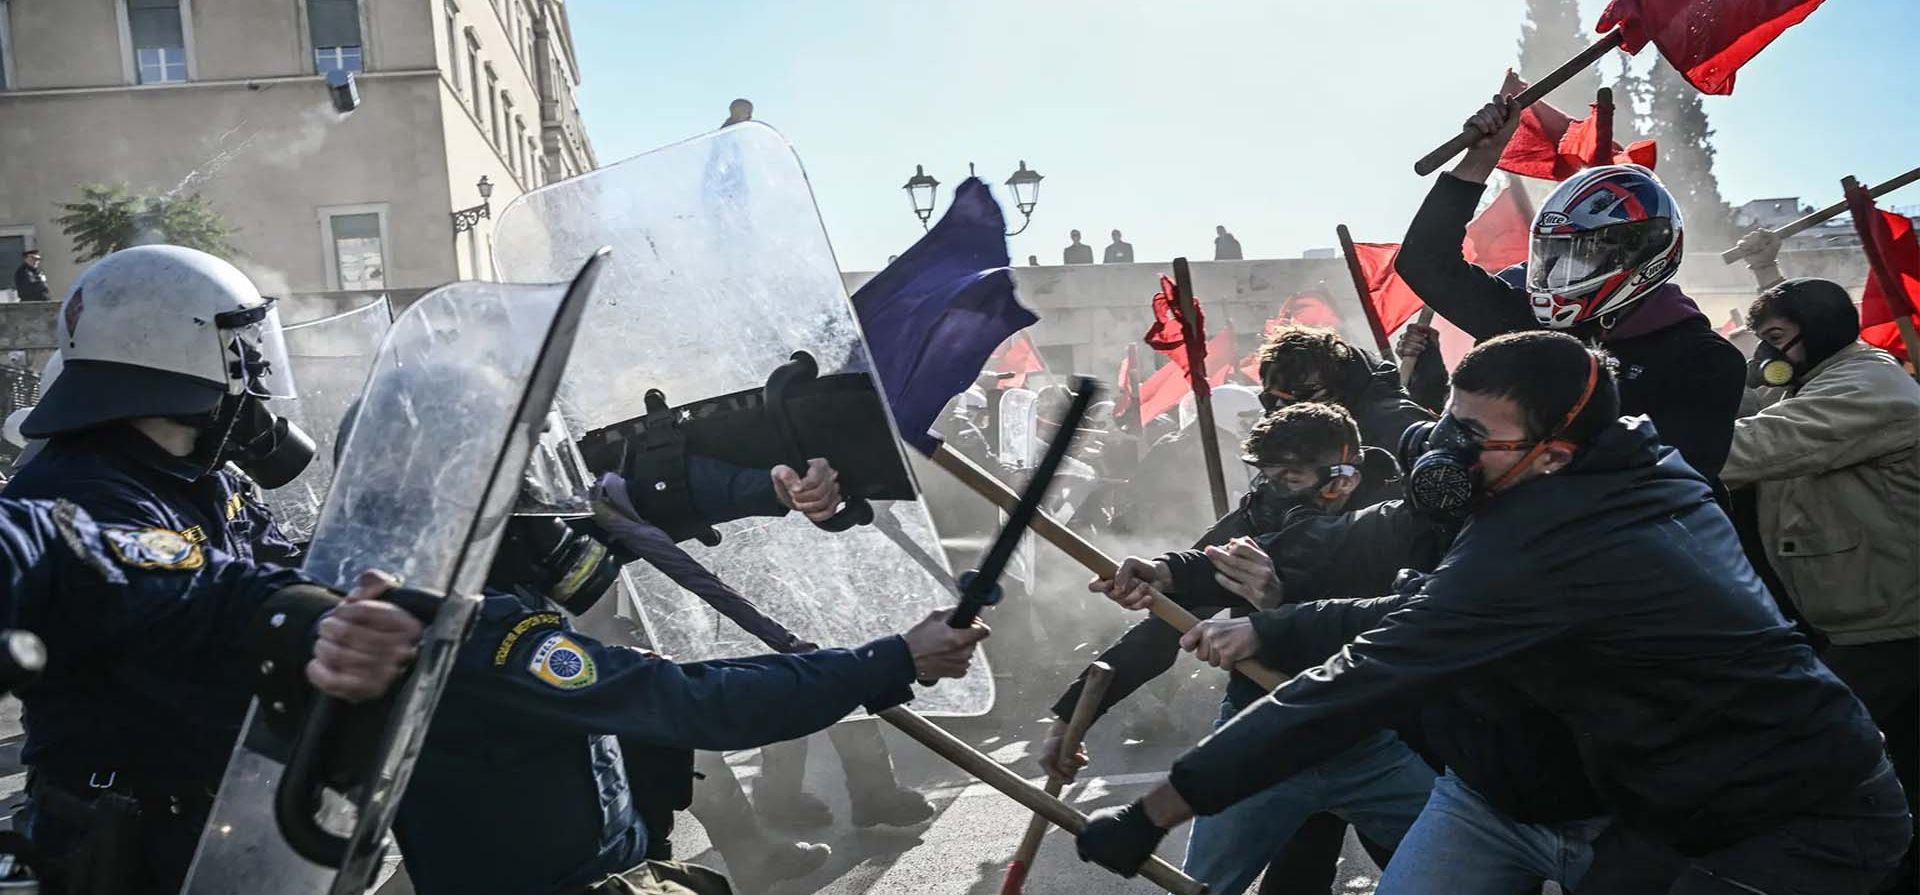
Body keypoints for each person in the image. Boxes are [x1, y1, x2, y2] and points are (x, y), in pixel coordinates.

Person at [1077, 331, 1909, 895]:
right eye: (1448, 423)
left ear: (1553, 452)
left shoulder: (1564, 540)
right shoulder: (1589, 465)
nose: (1443, 455)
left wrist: (1157, 808)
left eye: (1472, 437)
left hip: (1789, 811)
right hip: (1634, 797)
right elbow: (1356, 552)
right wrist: (1225, 595)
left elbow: (1371, 672)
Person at [391, 480, 990, 895]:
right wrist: (895, 658)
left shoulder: (426, 600)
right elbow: (700, 702)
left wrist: (771, 486)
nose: (552, 519)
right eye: (524, 499)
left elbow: (646, 496)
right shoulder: (478, 632)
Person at [1059, 403, 1440, 895]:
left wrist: (1275, 612)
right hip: (1263, 737)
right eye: (1265, 475)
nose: (1271, 490)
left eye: (1291, 476)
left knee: (1449, 871)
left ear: (1341, 479)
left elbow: (1392, 620)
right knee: (1218, 885)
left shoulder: (1394, 523)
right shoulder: (1255, 518)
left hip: (1372, 739)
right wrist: (1071, 719)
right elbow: (1170, 612)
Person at [0, 495, 422, 891]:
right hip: (131, 799)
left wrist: (313, 622)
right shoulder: (91, 484)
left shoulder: (27, 533)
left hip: (213, 795)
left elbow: (121, 568)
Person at [1393, 93, 1745, 490]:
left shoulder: (1705, 361)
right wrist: (1482, 157)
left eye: (1579, 255)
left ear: (1643, 251)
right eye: (1551, 253)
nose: (1559, 271)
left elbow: (1666, 488)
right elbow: (1424, 261)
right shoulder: (1526, 322)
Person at [1722, 277, 1920, 893]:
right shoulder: (1824, 378)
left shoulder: (1868, 388)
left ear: (1822, 331)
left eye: (1777, 339)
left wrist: (1628, 441)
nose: (1770, 357)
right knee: (1898, 761)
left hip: (1893, 619)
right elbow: (1758, 413)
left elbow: (1757, 446)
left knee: (1822, 752)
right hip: (1861, 612)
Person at [5, 245, 311, 567]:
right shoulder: (80, 499)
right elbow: (199, 602)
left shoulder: (203, 467)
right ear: (178, 353)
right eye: (244, 351)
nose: (257, 376)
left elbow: (275, 561)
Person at [1257, 324, 1433, 450]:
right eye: (1270, 399)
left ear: (1336, 386)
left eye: (1300, 397)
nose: (1280, 409)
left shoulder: (1396, 425)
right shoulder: (1285, 434)